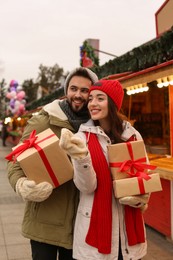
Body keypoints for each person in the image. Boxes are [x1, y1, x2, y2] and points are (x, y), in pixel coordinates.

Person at [7, 67, 98, 260]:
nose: (78, 95)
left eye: (84, 90)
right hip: (44, 224)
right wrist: (21, 185)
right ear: (66, 90)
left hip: (80, 227)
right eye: (74, 88)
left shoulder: (97, 127)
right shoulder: (44, 121)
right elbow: (16, 162)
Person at [59, 79, 149, 260]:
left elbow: (143, 176)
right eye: (91, 98)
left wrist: (141, 197)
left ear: (113, 104)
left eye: (100, 98)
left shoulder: (132, 135)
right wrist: (81, 157)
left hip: (129, 233)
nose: (92, 103)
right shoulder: (80, 138)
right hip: (95, 230)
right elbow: (87, 187)